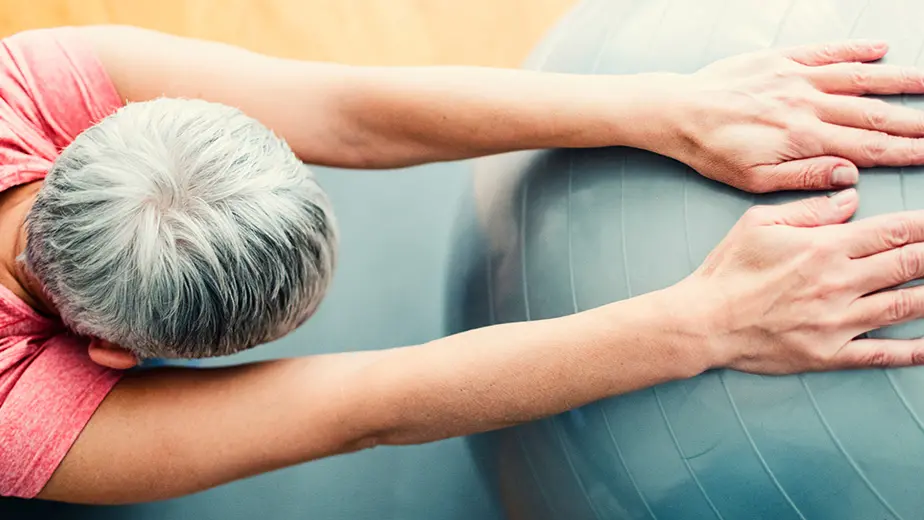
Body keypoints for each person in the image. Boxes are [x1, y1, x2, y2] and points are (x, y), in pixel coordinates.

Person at [3, 25, 924, 505]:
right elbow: (366, 410)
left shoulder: (27, 82)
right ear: (113, 359)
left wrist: (672, 106)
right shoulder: (14, 416)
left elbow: (350, 111)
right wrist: (709, 320)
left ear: (115, 127)